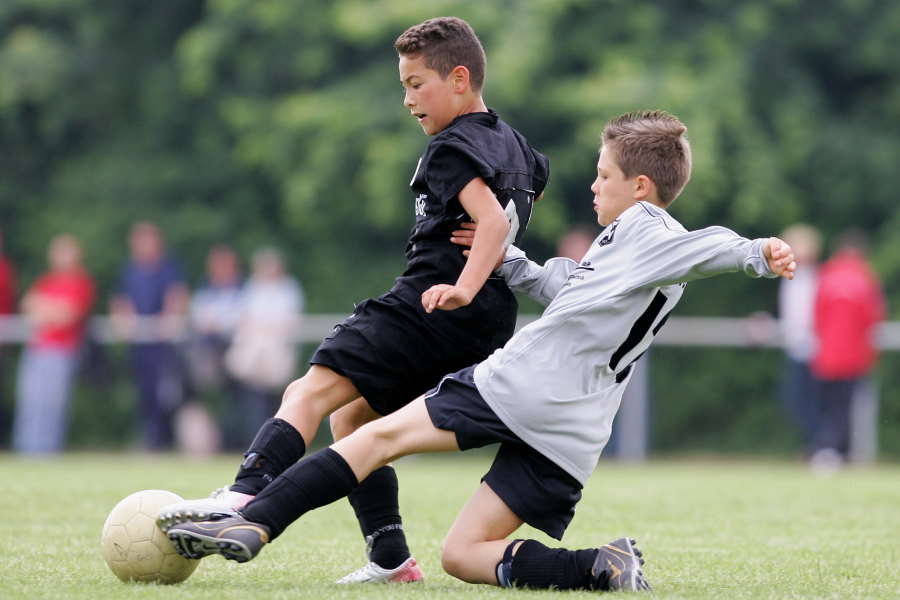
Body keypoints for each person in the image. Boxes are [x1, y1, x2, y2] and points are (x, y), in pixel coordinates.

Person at [162, 110, 796, 592]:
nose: (593, 186)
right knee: (463, 556)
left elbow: (708, 244)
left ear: (640, 185)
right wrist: (508, 259)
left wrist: (757, 252)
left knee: (368, 437)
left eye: (603, 175)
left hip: (522, 386)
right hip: (573, 432)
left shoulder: (651, 230)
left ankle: (252, 520)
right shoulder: (625, 249)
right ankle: (601, 566)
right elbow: (569, 288)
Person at [159, 16, 549, 584]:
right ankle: (391, 558)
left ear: (460, 79)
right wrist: (479, 277)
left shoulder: (451, 146)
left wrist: (462, 283)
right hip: (487, 324)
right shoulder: (520, 148)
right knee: (352, 419)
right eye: (403, 86)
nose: (408, 98)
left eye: (418, 84)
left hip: (430, 306)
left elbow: (489, 221)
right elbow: (505, 216)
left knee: (310, 390)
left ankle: (242, 497)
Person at [809, 230, 884, 471]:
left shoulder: (826, 275)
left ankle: (828, 450)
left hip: (826, 355)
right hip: (854, 356)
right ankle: (838, 451)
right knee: (846, 406)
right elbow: (872, 319)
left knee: (826, 404)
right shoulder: (866, 278)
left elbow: (816, 316)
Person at [12, 234, 94, 454]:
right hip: (37, 349)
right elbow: (27, 304)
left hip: (61, 351)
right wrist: (53, 309)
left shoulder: (80, 281)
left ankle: (46, 450)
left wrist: (45, 308)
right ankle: (26, 450)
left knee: (52, 405)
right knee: (30, 402)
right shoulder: (47, 280)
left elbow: (69, 315)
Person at [110, 222, 189, 450]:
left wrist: (169, 319)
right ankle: (150, 439)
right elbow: (120, 300)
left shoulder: (168, 268)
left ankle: (166, 441)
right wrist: (124, 321)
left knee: (167, 395)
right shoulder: (130, 270)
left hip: (164, 346)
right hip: (140, 344)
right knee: (143, 394)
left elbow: (177, 296)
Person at [224, 247, 303, 445]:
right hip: (253, 360)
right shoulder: (253, 288)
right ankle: (254, 439)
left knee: (276, 401)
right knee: (254, 401)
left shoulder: (288, 289)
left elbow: (288, 323)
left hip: (277, 358)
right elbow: (242, 317)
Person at [187, 244, 244, 450]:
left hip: (236, 352)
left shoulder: (243, 289)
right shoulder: (206, 289)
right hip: (209, 354)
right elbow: (197, 317)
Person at [777, 224, 821, 450]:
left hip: (812, 351)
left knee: (808, 403)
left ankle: (821, 447)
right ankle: (816, 446)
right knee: (797, 402)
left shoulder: (813, 279)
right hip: (796, 348)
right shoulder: (790, 278)